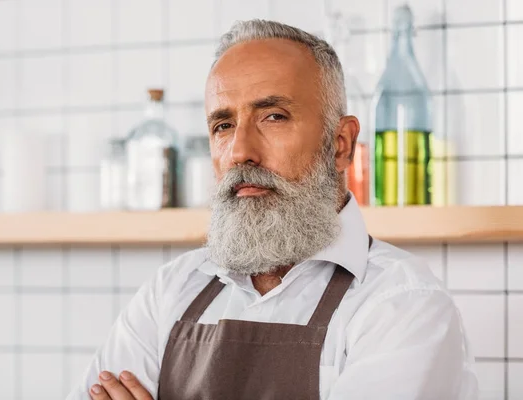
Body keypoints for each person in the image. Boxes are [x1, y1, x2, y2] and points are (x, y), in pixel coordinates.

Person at [67, 19, 477, 400]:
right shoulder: (170, 291)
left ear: (341, 145)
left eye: (273, 117)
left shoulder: (404, 305)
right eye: (223, 125)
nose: (241, 151)